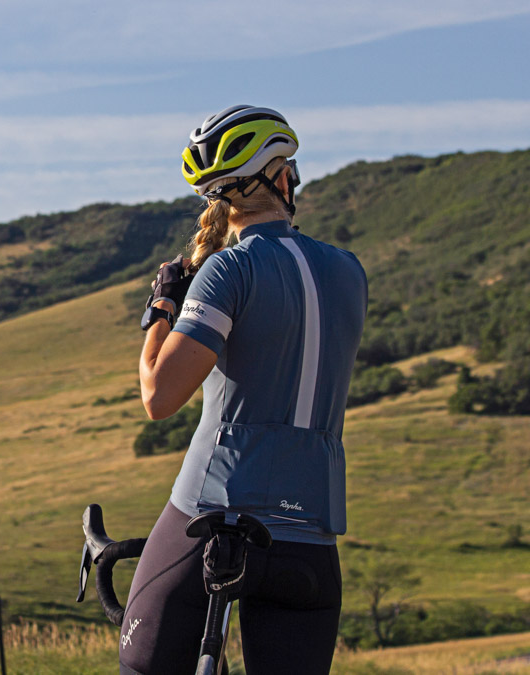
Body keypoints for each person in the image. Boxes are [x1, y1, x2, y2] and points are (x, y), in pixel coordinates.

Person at [120, 105, 368, 674]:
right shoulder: (349, 271)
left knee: (141, 664)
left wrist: (162, 306)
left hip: (214, 517)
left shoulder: (229, 270)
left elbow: (158, 396)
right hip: (312, 534)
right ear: (283, 178)